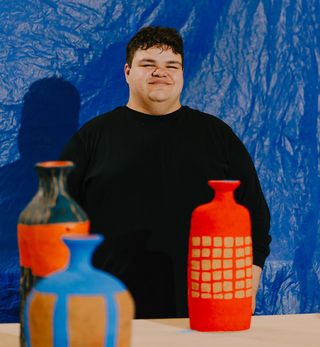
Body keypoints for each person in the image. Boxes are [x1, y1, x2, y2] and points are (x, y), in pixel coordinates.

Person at [60, 26, 271, 318]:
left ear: (182, 73)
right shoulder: (93, 138)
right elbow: (60, 221)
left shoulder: (216, 135)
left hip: (202, 311)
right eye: (148, 64)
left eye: (171, 65)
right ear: (127, 72)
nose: (161, 72)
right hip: (108, 310)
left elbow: (255, 213)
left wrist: (250, 277)